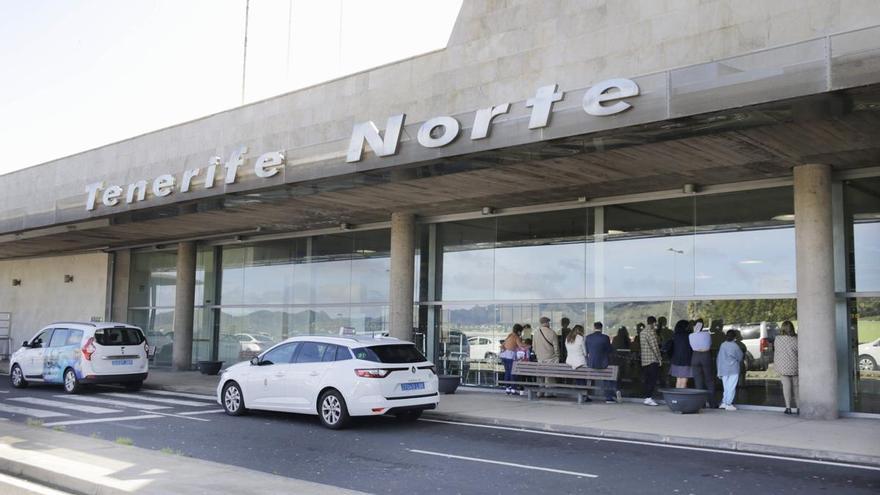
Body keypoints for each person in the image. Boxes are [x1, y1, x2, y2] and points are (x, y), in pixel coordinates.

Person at [586, 322, 618, 403]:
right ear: (601, 328)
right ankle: (609, 398)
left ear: (594, 327)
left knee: (590, 379)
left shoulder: (588, 337)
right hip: (603, 363)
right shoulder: (605, 338)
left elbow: (586, 350)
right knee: (607, 379)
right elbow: (609, 350)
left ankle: (588, 395)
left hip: (591, 363)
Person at [774, 320, 799, 415]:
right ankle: (799, 408)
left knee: (786, 387)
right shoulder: (796, 339)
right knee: (797, 388)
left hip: (783, 367)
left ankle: (788, 408)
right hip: (795, 366)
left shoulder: (778, 339)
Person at [717, 329, 744, 410]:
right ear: (734, 337)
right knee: (731, 387)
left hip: (723, 369)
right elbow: (740, 357)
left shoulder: (722, 345)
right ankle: (729, 403)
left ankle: (724, 402)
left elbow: (719, 358)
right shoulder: (735, 346)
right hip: (733, 369)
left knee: (726, 387)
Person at [533, 316, 559, 392]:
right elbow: (556, 347)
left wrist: (538, 355)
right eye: (549, 322)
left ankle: (540, 392)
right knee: (549, 376)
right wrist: (557, 355)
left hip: (540, 358)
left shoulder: (536, 333)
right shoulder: (552, 332)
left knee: (541, 375)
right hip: (551, 358)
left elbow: (534, 347)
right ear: (547, 323)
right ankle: (549, 392)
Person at [640, 316, 662, 406]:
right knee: (652, 380)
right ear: (654, 323)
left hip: (645, 360)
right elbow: (655, 347)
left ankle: (647, 397)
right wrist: (659, 358)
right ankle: (649, 397)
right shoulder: (651, 332)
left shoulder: (642, 332)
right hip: (652, 359)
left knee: (647, 379)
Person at [666, 319, 693, 389]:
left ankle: (677, 397)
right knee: (684, 381)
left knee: (678, 380)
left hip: (676, 361)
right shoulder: (689, 336)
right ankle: (681, 398)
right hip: (686, 361)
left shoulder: (674, 336)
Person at [500, 324, 526, 395]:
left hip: (504, 355)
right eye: (521, 331)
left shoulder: (510, 335)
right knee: (513, 372)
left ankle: (507, 389)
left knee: (507, 372)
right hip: (510, 356)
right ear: (518, 331)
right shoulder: (516, 337)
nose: (521, 333)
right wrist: (528, 345)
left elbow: (502, 345)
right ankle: (513, 389)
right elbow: (520, 345)